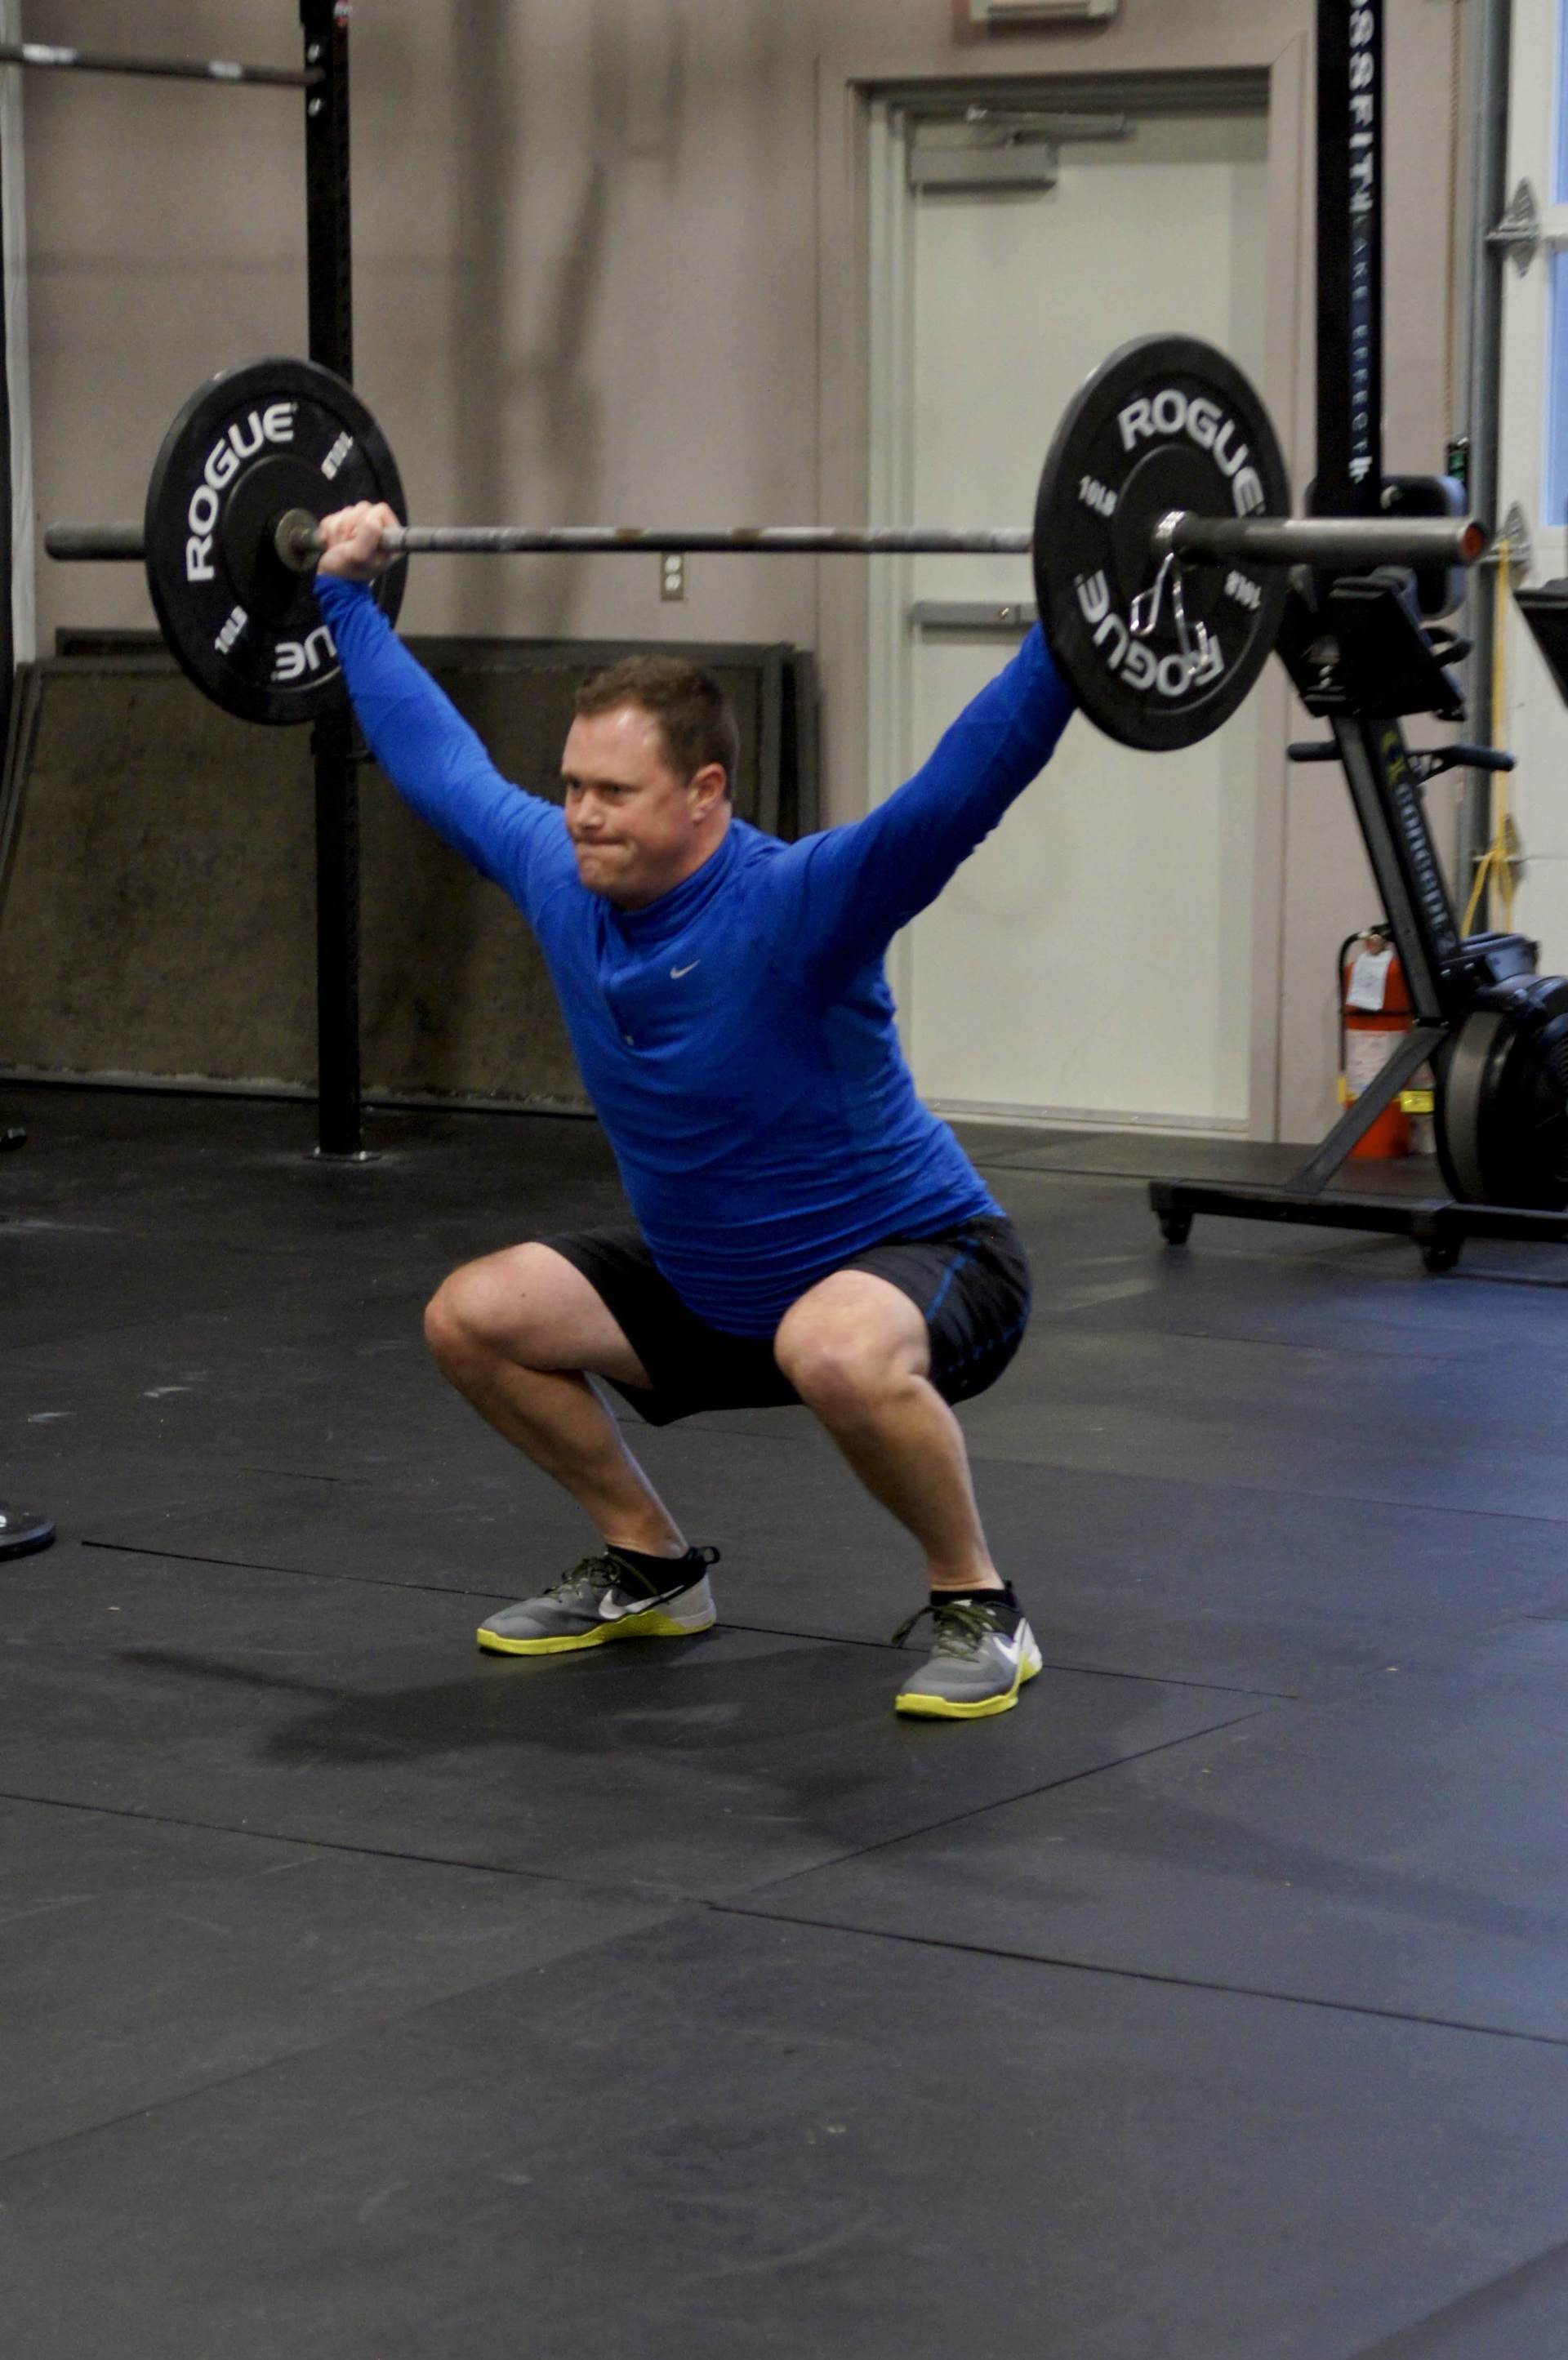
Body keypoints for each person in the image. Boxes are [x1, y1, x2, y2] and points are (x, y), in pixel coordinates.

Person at [313, 505, 1074, 1719]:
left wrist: (1072, 624)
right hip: (720, 1292)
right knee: (474, 1314)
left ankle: (979, 1604)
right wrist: (345, 596)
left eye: (614, 791)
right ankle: (651, 1563)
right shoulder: (559, 876)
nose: (581, 814)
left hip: (926, 1263)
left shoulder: (798, 903)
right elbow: (438, 763)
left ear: (707, 791)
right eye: (571, 785)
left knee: (828, 1341)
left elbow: (959, 791)